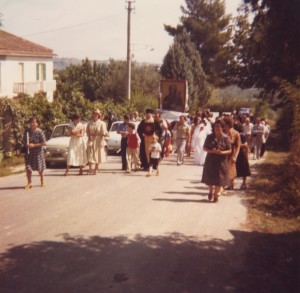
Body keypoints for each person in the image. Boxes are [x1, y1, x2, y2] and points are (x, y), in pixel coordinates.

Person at [202, 120, 231, 203]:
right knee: (210, 178)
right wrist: (211, 151)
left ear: (222, 128)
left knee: (219, 179)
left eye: (218, 127)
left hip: (221, 161)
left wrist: (221, 152)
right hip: (211, 160)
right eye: (215, 126)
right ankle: (211, 191)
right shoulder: (209, 137)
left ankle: (216, 195)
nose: (217, 128)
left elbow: (229, 150)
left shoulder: (225, 138)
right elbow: (204, 148)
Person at [23, 116, 47, 190]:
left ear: (37, 123)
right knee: (28, 168)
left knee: (39, 168)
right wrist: (26, 144)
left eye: (34, 122)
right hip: (29, 152)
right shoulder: (27, 131)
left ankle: (42, 180)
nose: (32, 124)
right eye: (31, 122)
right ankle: (29, 183)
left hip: (38, 152)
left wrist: (34, 145)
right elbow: (23, 141)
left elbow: (44, 143)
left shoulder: (40, 131)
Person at [86, 109, 108, 175]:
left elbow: (103, 133)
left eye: (96, 114)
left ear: (99, 115)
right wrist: (89, 136)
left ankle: (96, 168)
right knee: (90, 153)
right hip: (91, 139)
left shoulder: (102, 123)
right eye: (94, 114)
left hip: (98, 139)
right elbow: (87, 131)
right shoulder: (89, 123)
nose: (95, 115)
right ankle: (90, 168)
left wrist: (102, 141)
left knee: (97, 154)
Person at [224, 116, 241, 190]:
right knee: (223, 170)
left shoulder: (236, 133)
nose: (223, 125)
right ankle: (222, 186)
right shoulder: (222, 132)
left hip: (231, 155)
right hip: (223, 154)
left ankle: (231, 184)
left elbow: (238, 146)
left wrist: (235, 156)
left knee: (231, 170)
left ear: (228, 124)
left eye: (224, 124)